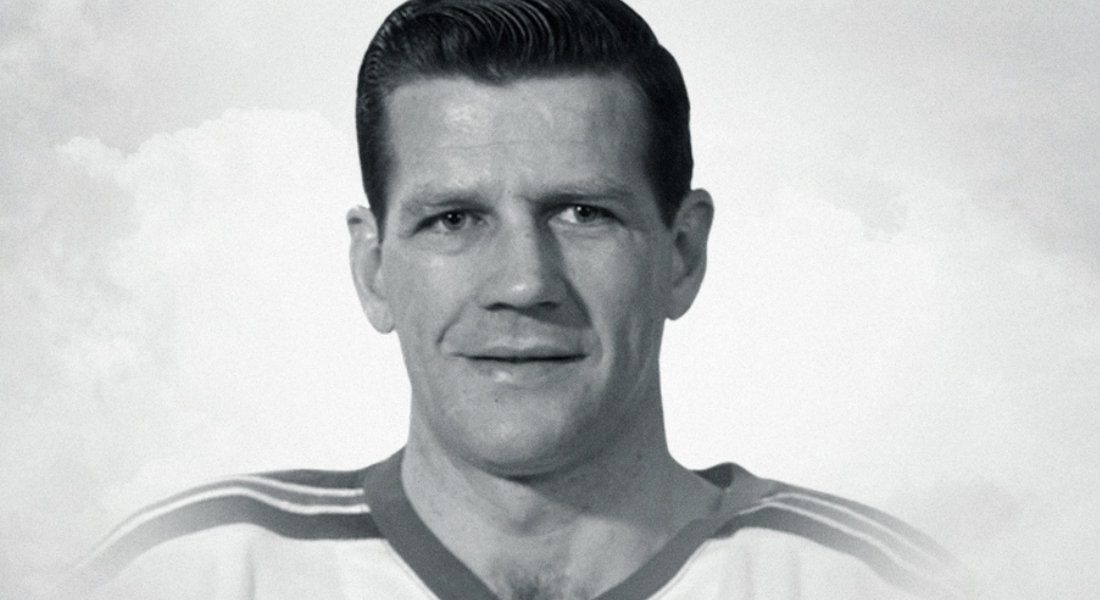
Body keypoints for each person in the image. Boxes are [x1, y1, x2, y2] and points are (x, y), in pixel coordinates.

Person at [69, 1, 973, 598]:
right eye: (454, 219)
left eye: (583, 212)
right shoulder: (187, 575)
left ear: (683, 254)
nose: (523, 283)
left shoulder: (882, 584)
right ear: (374, 268)